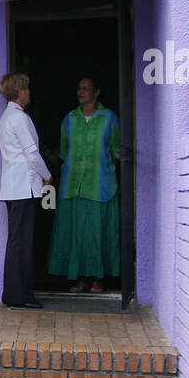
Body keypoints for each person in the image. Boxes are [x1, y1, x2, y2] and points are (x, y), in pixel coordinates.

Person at [47, 77, 121, 293]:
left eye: (86, 88)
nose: (81, 92)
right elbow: (64, 151)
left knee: (97, 234)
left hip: (101, 187)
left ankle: (98, 278)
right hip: (73, 187)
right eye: (79, 88)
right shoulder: (70, 119)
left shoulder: (109, 118)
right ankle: (79, 278)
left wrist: (104, 170)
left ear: (96, 92)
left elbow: (116, 150)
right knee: (76, 235)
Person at [0, 72, 52, 309]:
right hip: (23, 188)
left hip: (12, 187)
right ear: (20, 91)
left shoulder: (7, 117)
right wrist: (47, 175)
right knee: (22, 242)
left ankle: (14, 293)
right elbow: (32, 153)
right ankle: (21, 295)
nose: (29, 92)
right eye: (27, 88)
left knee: (16, 241)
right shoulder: (20, 119)